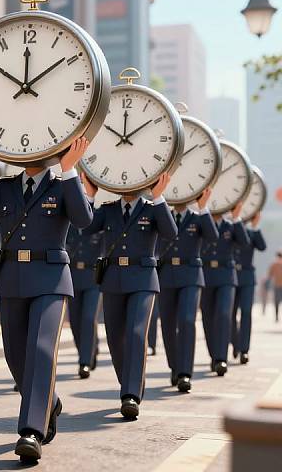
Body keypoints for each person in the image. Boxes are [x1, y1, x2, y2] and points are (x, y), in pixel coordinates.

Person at [0, 129, 92, 463]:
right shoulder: (5, 188)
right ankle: (50, 401)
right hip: (12, 279)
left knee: (41, 350)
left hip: (50, 279)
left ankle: (30, 431)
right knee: (15, 356)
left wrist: (70, 169)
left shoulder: (62, 184)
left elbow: (83, 218)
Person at [82, 172, 177, 419]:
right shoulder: (108, 209)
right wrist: (89, 195)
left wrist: (158, 197)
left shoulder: (152, 207)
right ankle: (130, 383)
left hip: (143, 279)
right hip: (113, 278)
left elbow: (170, 232)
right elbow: (86, 227)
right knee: (115, 338)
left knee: (136, 333)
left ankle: (130, 395)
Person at [157, 188, 218, 392]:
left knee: (186, 320)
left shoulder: (197, 217)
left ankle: (185, 373)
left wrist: (203, 207)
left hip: (191, 275)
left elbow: (212, 236)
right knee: (167, 324)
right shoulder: (161, 213)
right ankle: (175, 366)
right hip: (166, 275)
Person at [200, 203, 249, 377]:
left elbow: (244, 242)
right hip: (205, 274)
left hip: (226, 275)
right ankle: (214, 355)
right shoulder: (201, 220)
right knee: (207, 316)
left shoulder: (230, 224)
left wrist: (236, 218)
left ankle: (221, 358)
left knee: (223, 314)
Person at [65, 224, 101, 378]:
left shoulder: (98, 226)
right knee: (75, 321)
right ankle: (88, 349)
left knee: (88, 318)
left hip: (93, 278)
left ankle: (84, 362)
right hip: (72, 278)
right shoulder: (69, 227)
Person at [231, 212, 266, 364]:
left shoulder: (251, 232)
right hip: (230, 276)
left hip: (247, 278)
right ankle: (235, 343)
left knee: (246, 312)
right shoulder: (229, 228)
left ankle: (244, 350)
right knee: (230, 314)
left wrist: (256, 226)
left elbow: (262, 246)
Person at [268, 251, 282, 322]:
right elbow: (270, 275)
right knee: (276, 301)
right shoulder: (274, 265)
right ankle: (276, 316)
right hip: (277, 286)